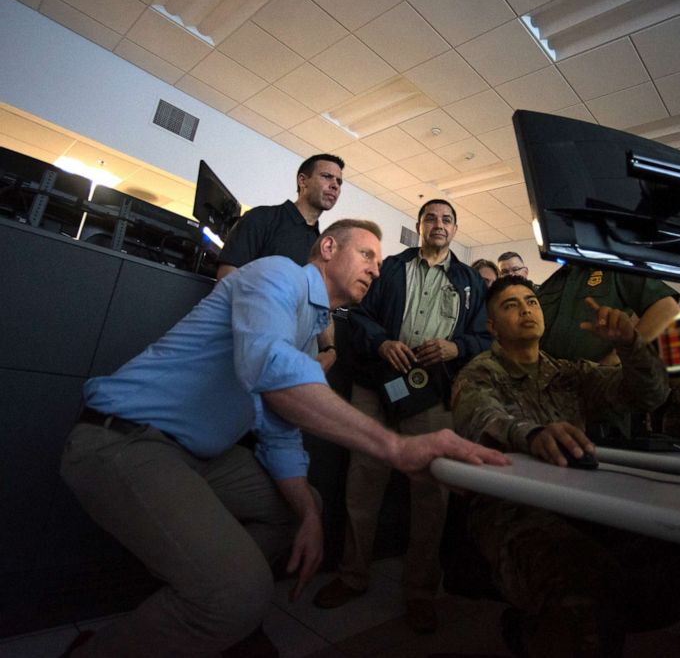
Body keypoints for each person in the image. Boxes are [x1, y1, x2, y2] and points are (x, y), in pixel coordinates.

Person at [59, 220, 508, 658]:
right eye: (366, 254)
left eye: (380, 259)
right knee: (237, 594)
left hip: (197, 457)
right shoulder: (278, 274)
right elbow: (270, 367)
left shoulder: (310, 334)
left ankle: (213, 606)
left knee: (301, 504)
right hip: (124, 439)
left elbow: (280, 432)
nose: (375, 268)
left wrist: (308, 513)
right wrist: (396, 446)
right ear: (328, 248)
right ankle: (198, 614)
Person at [451, 275, 680, 655]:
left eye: (531, 301)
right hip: (509, 509)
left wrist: (631, 344)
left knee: (674, 570)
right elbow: (479, 417)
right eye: (510, 305)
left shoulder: (570, 373)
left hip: (578, 503)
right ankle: (534, 631)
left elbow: (648, 395)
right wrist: (532, 434)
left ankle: (539, 625)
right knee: (583, 597)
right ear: (492, 326)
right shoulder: (480, 372)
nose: (526, 309)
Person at [312, 199, 490, 633]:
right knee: (362, 483)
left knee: (431, 495)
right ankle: (353, 576)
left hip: (431, 397)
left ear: (455, 229)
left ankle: (420, 592)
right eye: (431, 218)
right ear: (419, 225)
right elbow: (357, 313)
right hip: (376, 386)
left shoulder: (470, 281)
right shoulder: (390, 267)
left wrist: (455, 347)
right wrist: (381, 342)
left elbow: (483, 338)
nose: (439, 224)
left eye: (447, 219)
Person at [216, 153, 346, 370]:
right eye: (327, 177)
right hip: (244, 350)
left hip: (291, 360)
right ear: (302, 181)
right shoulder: (261, 218)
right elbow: (226, 280)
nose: (335, 185)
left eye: (339, 182)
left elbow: (322, 307)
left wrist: (329, 350)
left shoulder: (322, 247)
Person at [538, 265, 680, 438]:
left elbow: (667, 308)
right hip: (547, 401)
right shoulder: (550, 283)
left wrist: (617, 355)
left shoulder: (613, 268)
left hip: (599, 400)